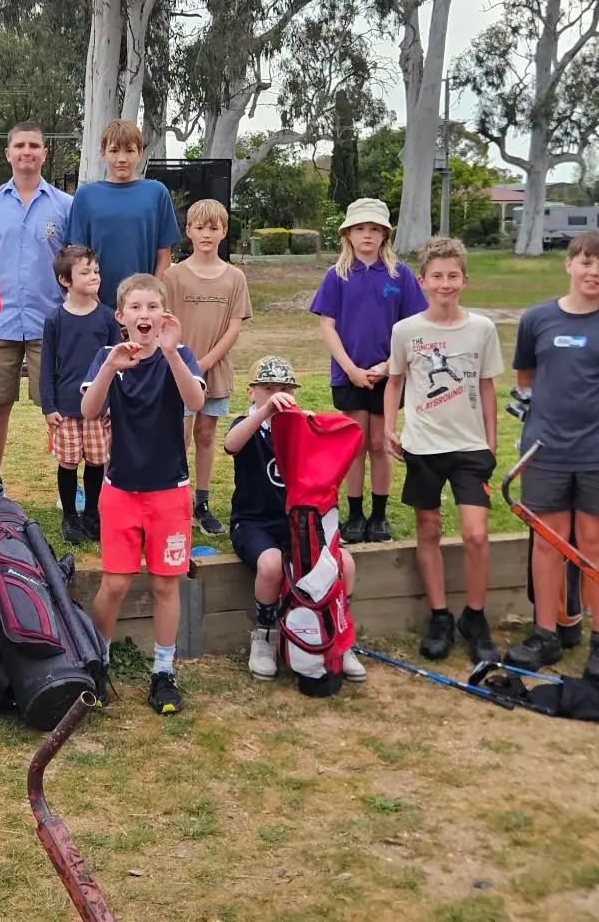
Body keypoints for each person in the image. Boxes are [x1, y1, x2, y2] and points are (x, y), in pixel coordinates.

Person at [506, 230, 599, 682]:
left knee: (593, 544)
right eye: (586, 262)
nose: (594, 272)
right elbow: (525, 377)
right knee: (550, 545)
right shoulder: (537, 319)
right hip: (545, 451)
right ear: (569, 264)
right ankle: (545, 633)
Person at [81, 273, 204, 716]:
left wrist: (171, 351)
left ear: (165, 315)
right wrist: (111, 367)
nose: (145, 315)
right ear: (121, 317)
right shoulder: (108, 357)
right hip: (121, 492)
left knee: (165, 584)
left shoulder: (181, 355)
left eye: (153, 307)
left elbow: (195, 400)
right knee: (114, 582)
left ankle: (164, 671)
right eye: (136, 307)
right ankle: (97, 661)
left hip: (169, 492)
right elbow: (88, 410)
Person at [384, 237, 503, 665]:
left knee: (475, 533)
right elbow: (395, 381)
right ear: (423, 281)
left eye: (453, 276)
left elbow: (487, 385)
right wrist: (390, 428)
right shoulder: (407, 331)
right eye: (437, 276)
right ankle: (439, 614)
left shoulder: (482, 329)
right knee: (429, 529)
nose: (445, 283)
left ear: (465, 280)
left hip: (469, 447)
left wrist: (490, 440)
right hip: (424, 446)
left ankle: (475, 615)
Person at [226, 356, 366, 684]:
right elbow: (231, 445)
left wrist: (311, 426)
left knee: (344, 562)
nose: (277, 394)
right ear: (252, 392)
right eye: (268, 388)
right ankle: (264, 636)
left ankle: (340, 636)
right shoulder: (244, 424)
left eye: (285, 389)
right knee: (272, 564)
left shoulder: (300, 427)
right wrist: (266, 412)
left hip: (297, 523)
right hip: (252, 522)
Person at [309, 198, 428, 544]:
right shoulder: (336, 276)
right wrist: (351, 369)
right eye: (361, 228)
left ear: (385, 235)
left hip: (388, 376)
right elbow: (328, 327)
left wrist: (387, 366)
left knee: (380, 443)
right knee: (355, 445)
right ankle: (356, 513)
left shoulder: (399, 274)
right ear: (348, 233)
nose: (367, 235)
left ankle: (379, 515)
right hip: (349, 374)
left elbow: (412, 325)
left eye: (375, 229)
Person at [0, 122, 72, 487]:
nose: (26, 151)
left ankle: (67, 485)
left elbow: (73, 264)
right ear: (8, 153)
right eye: (19, 145)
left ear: (44, 153)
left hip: (50, 322)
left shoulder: (65, 205)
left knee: (61, 409)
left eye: (34, 145)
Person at [163, 198, 251, 535]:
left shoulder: (235, 277)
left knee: (205, 434)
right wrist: (186, 365)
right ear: (188, 231)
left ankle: (201, 501)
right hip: (178, 371)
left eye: (213, 228)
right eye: (199, 227)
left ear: (224, 231)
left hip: (214, 371)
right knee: (179, 436)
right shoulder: (173, 276)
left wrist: (206, 362)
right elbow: (164, 322)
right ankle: (176, 499)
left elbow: (234, 327)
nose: (206, 234)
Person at [39, 244, 120, 544]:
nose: (93, 276)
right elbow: (46, 366)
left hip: (99, 409)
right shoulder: (55, 319)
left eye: (96, 271)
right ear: (65, 280)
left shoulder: (108, 318)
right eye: (84, 272)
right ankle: (70, 516)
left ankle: (92, 515)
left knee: (97, 461)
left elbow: (116, 365)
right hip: (67, 408)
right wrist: (49, 406)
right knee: (69, 462)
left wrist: (113, 404)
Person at [63, 119, 180, 309]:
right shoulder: (86, 196)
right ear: (103, 153)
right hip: (95, 304)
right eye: (114, 150)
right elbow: (76, 256)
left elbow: (164, 255)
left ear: (140, 153)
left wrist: (152, 299)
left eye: (129, 150)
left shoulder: (156, 193)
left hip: (142, 309)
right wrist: (93, 301)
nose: (122, 158)